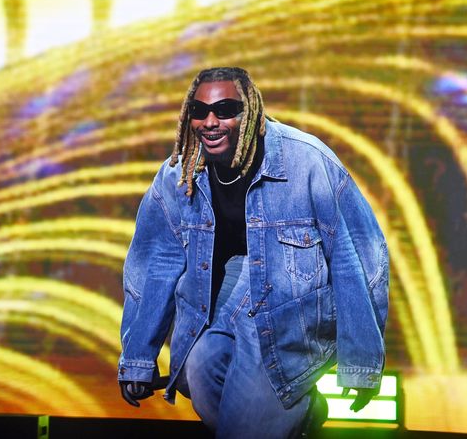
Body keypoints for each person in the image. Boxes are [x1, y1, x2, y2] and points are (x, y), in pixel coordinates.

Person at [117, 67, 389, 438]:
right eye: (199, 111)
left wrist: (361, 361)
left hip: (289, 302)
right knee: (200, 370)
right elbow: (155, 262)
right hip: (220, 298)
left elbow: (354, 257)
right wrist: (137, 356)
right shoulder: (179, 175)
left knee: (246, 426)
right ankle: (296, 419)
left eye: (225, 109)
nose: (209, 122)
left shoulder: (307, 162)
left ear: (252, 112)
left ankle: (290, 412)